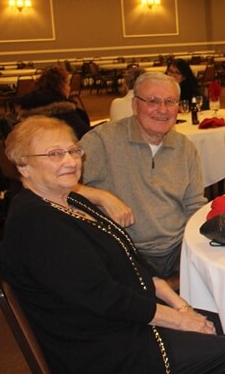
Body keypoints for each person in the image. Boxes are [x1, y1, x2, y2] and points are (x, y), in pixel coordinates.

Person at [1, 116, 225, 374]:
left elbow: (130, 257)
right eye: (55, 154)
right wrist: (178, 319)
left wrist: (180, 305)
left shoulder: (70, 200)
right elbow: (103, 297)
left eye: (73, 151)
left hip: (128, 315)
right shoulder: (35, 224)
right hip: (102, 345)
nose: (70, 161)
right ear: (23, 166)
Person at [80, 72, 207, 278]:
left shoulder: (185, 147)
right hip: (127, 252)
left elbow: (194, 205)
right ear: (135, 105)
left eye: (170, 101)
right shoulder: (102, 141)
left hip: (178, 248)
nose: (162, 110)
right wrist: (101, 196)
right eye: (153, 101)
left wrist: (196, 248)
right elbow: (54, 185)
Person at [16, 65, 91, 139]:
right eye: (68, 84)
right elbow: (85, 135)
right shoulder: (63, 110)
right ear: (60, 86)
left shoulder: (27, 107)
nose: (69, 88)